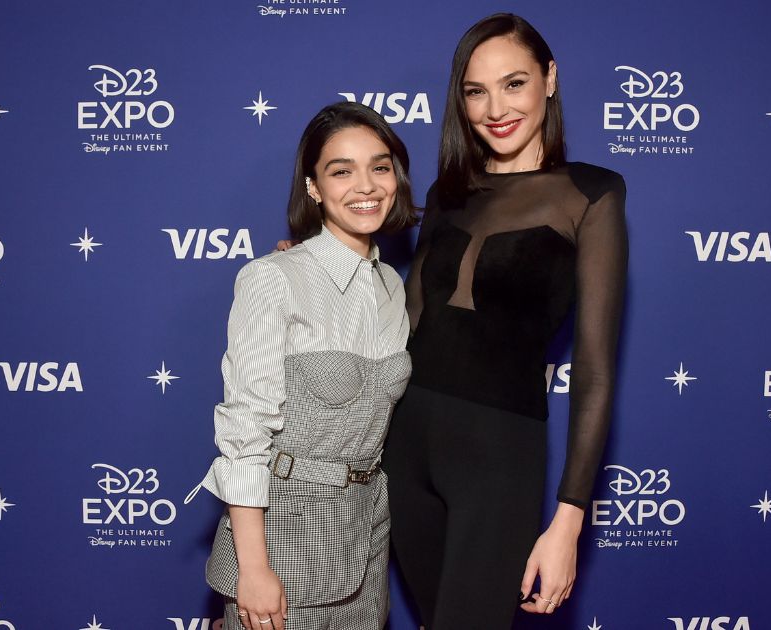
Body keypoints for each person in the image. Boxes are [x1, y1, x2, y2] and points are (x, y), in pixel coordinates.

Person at [381, 13, 628, 629]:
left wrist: (568, 520)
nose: (496, 108)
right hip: (403, 447)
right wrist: (312, 264)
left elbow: (595, 374)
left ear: (549, 79)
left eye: (513, 84)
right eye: (475, 91)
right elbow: (401, 326)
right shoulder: (446, 193)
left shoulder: (591, 195)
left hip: (498, 456)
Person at [197, 101, 418, 630]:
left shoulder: (392, 288)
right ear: (314, 186)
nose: (366, 185)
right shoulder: (274, 278)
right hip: (282, 540)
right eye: (341, 171)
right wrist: (254, 569)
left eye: (380, 166)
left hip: (364, 539)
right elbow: (246, 432)